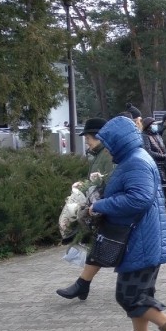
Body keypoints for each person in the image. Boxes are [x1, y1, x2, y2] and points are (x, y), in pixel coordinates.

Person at [85, 116, 166, 331]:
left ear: (119, 141)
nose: (107, 148)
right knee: (139, 294)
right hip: (142, 239)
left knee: (128, 296)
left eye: (109, 143)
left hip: (140, 240)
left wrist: (100, 204)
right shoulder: (134, 159)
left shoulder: (136, 163)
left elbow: (138, 199)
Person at [56, 117, 116, 301]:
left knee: (109, 247)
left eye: (88, 139)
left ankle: (142, 287)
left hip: (108, 207)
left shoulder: (106, 154)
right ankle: (82, 285)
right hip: (103, 206)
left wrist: (93, 195)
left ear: (98, 137)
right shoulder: (99, 154)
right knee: (101, 246)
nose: (86, 143)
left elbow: (108, 180)